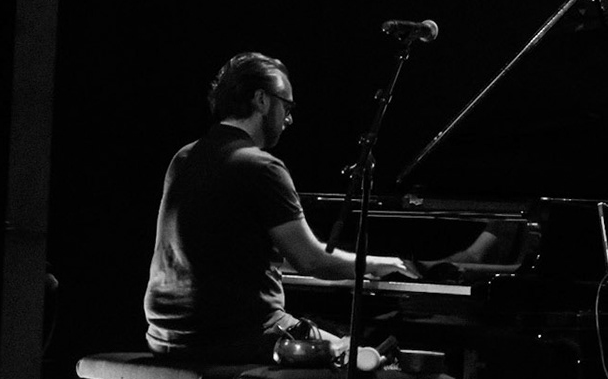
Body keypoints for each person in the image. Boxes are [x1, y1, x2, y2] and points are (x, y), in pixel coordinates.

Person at [145, 52, 415, 362]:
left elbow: (225, 253)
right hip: (237, 337)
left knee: (339, 343)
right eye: (286, 107)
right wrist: (375, 265)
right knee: (365, 360)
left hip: (166, 337)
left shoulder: (183, 158)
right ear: (261, 100)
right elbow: (311, 261)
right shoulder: (262, 167)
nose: (289, 120)